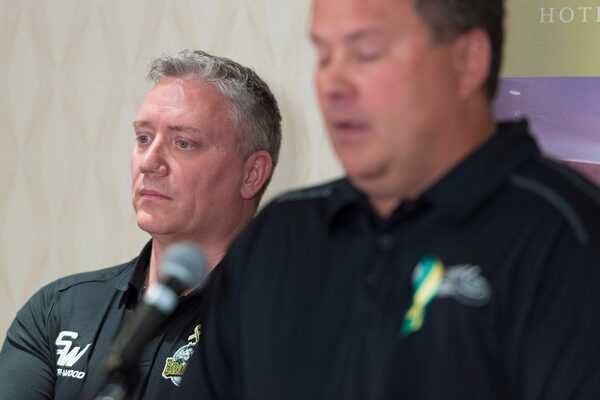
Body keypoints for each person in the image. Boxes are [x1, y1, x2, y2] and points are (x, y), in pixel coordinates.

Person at [178, 0, 600, 399]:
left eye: (366, 53)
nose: (333, 85)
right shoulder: (278, 235)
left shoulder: (567, 237)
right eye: (324, 56)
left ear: (467, 61)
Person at [0, 49, 282, 399]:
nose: (149, 162)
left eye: (184, 143)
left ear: (252, 174)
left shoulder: (294, 319)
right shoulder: (59, 310)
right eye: (144, 138)